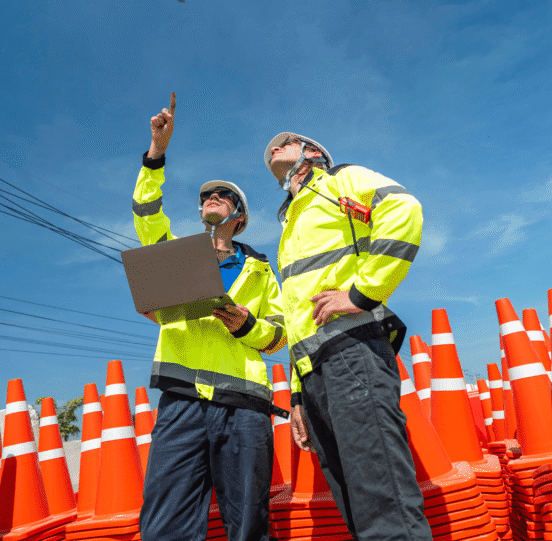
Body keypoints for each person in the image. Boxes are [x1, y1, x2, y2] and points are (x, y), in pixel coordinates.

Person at [263, 132, 429, 541]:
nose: (273, 146)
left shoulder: (338, 180)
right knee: (355, 504)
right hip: (316, 374)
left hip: (352, 353)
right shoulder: (293, 223)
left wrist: (362, 293)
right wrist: (299, 398)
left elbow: (403, 209)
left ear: (313, 153)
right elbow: (298, 318)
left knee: (382, 500)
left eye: (286, 140)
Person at [135, 93, 286, 541]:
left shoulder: (261, 271)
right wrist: (157, 153)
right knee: (165, 523)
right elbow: (145, 213)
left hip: (244, 406)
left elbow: (277, 336)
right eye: (206, 196)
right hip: (181, 402)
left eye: (223, 196)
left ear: (238, 218)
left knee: (247, 522)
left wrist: (246, 325)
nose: (212, 198)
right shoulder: (175, 256)